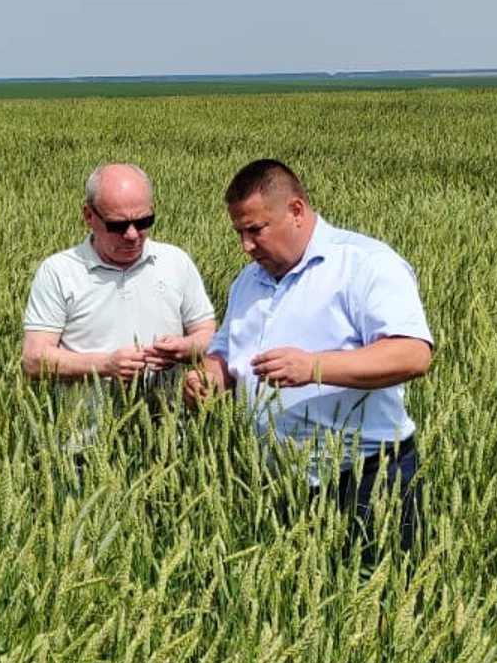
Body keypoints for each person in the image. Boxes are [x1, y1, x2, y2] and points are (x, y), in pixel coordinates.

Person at [184, 159, 433, 563]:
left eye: (255, 230)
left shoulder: (364, 264)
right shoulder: (248, 281)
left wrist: (314, 367)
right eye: (239, 233)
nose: (246, 245)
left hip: (367, 479)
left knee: (379, 605)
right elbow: (227, 355)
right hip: (277, 481)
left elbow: (412, 353)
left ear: (296, 211)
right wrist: (209, 376)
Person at [22, 164, 217, 465]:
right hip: (85, 452)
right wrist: (106, 365)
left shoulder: (176, 262)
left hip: (170, 446)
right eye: (117, 225)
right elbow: (34, 360)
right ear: (88, 216)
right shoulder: (59, 272)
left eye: (144, 221)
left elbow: (208, 336)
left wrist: (184, 349)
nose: (132, 235)